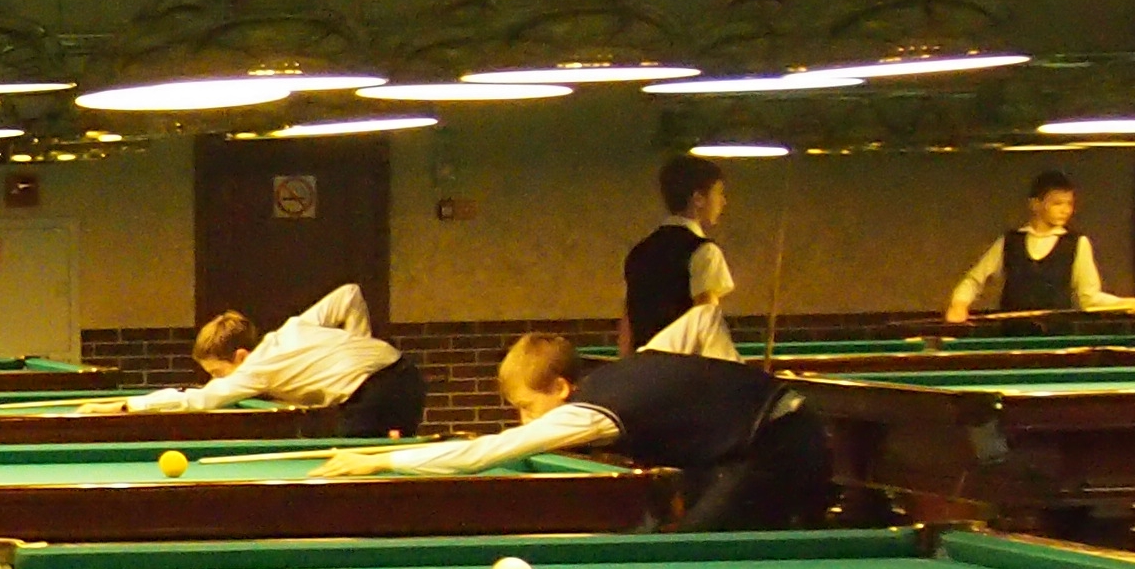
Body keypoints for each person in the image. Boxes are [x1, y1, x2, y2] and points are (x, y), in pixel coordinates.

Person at [330, 317, 831, 531]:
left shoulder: (589, 413)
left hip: (780, 444)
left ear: (560, 388)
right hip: (761, 437)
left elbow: (489, 452)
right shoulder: (612, 374)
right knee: (676, 529)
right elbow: (699, 321)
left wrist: (382, 462)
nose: (526, 419)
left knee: (693, 546)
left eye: (528, 405)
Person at [123, 282, 421, 434]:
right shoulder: (295, 327)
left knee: (351, 464)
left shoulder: (255, 369)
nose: (215, 380)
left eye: (217, 372)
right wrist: (359, 346)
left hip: (375, 395)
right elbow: (349, 294)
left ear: (241, 356)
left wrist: (131, 405)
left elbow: (200, 400)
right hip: (408, 373)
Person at [947, 169, 1135, 325]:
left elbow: (1089, 298)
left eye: (1069, 204)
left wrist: (1124, 304)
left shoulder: (1077, 243)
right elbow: (974, 280)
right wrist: (959, 304)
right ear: (1035, 205)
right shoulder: (1010, 241)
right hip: (1011, 336)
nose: (1066, 210)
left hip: (1057, 337)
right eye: (1057, 203)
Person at [620, 154, 736, 352]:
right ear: (698, 199)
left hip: (644, 363)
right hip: (683, 365)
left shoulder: (639, 252)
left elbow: (627, 326)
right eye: (718, 193)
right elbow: (706, 328)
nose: (723, 201)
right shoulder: (704, 252)